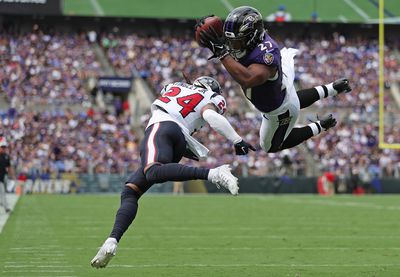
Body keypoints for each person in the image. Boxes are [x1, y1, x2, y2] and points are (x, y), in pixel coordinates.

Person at [90, 76, 255, 268]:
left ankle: (213, 174)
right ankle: (112, 241)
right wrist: (236, 140)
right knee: (131, 190)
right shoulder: (210, 97)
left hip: (162, 127)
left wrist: (235, 140)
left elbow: (171, 93)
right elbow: (210, 116)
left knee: (152, 171)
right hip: (178, 141)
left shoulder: (176, 86)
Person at [196, 6, 352, 154]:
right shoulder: (251, 40)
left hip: (279, 111)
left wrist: (222, 52)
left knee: (269, 147)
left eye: (236, 40)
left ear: (251, 37)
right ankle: (333, 88)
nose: (232, 44)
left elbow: (248, 79)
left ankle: (321, 125)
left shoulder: (265, 56)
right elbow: (231, 42)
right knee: (292, 98)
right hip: (280, 91)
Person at [0, 137, 15, 213]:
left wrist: (12, 175)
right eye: (2, 147)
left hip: (3, 177)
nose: (3, 148)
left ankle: (4, 205)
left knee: (3, 192)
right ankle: (6, 208)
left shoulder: (6, 156)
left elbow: (9, 167)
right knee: (2, 192)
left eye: (4, 147)